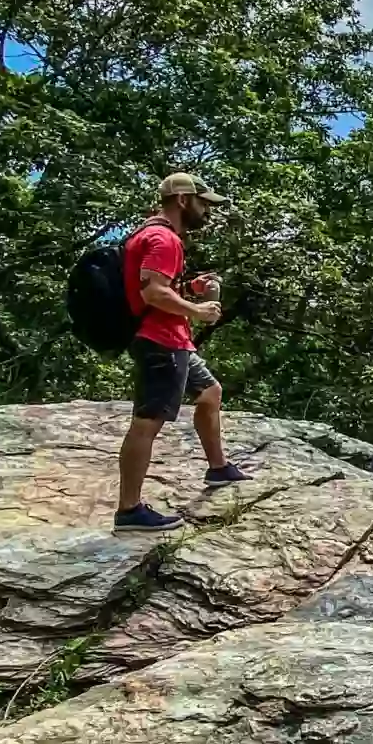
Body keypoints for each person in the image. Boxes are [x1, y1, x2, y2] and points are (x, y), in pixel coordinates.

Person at [113, 173, 248, 531]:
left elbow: (154, 287)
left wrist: (190, 287)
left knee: (210, 392)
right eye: (204, 203)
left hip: (170, 337)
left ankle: (218, 468)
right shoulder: (163, 239)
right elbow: (154, 294)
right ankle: (129, 510)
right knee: (147, 421)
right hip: (161, 341)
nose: (208, 212)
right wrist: (198, 310)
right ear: (184, 200)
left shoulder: (147, 234)